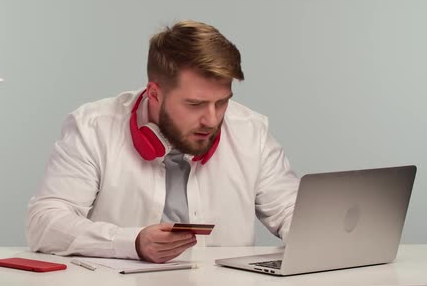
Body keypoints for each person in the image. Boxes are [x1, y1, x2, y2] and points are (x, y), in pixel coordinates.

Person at [26, 20, 299, 263]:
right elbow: (45, 222)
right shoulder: (93, 127)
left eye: (222, 102)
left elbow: (291, 210)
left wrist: (313, 235)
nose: (212, 120)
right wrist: (131, 243)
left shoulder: (251, 131)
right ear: (154, 93)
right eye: (195, 104)